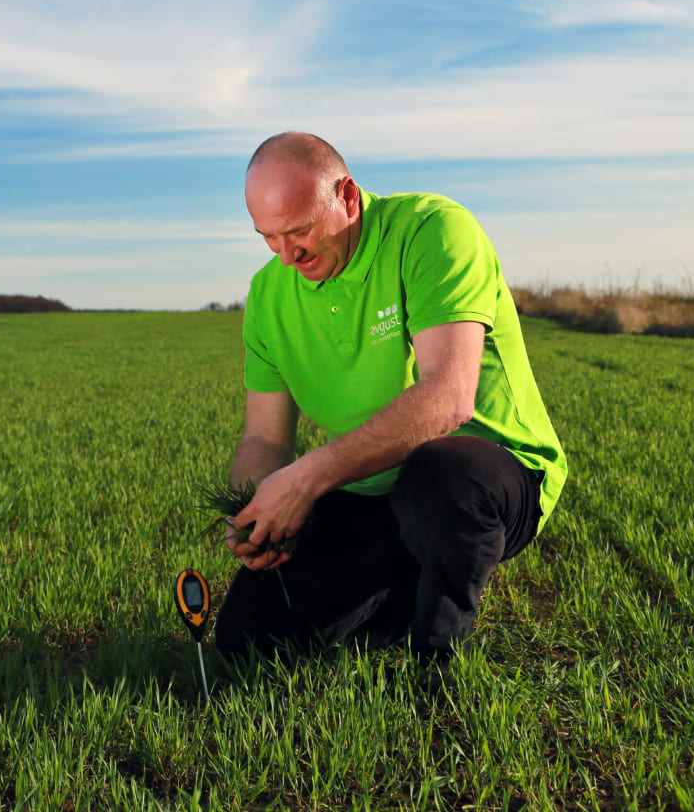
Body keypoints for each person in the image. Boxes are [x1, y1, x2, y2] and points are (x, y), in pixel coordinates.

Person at [215, 131, 567, 666]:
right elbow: (264, 435)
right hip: (372, 489)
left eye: (301, 230)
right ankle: (404, 592)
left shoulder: (432, 230)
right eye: (268, 237)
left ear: (348, 198)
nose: (288, 254)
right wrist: (252, 510)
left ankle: (439, 656)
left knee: (439, 477)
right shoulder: (267, 297)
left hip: (487, 475)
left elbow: (449, 399)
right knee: (250, 640)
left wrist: (306, 480)